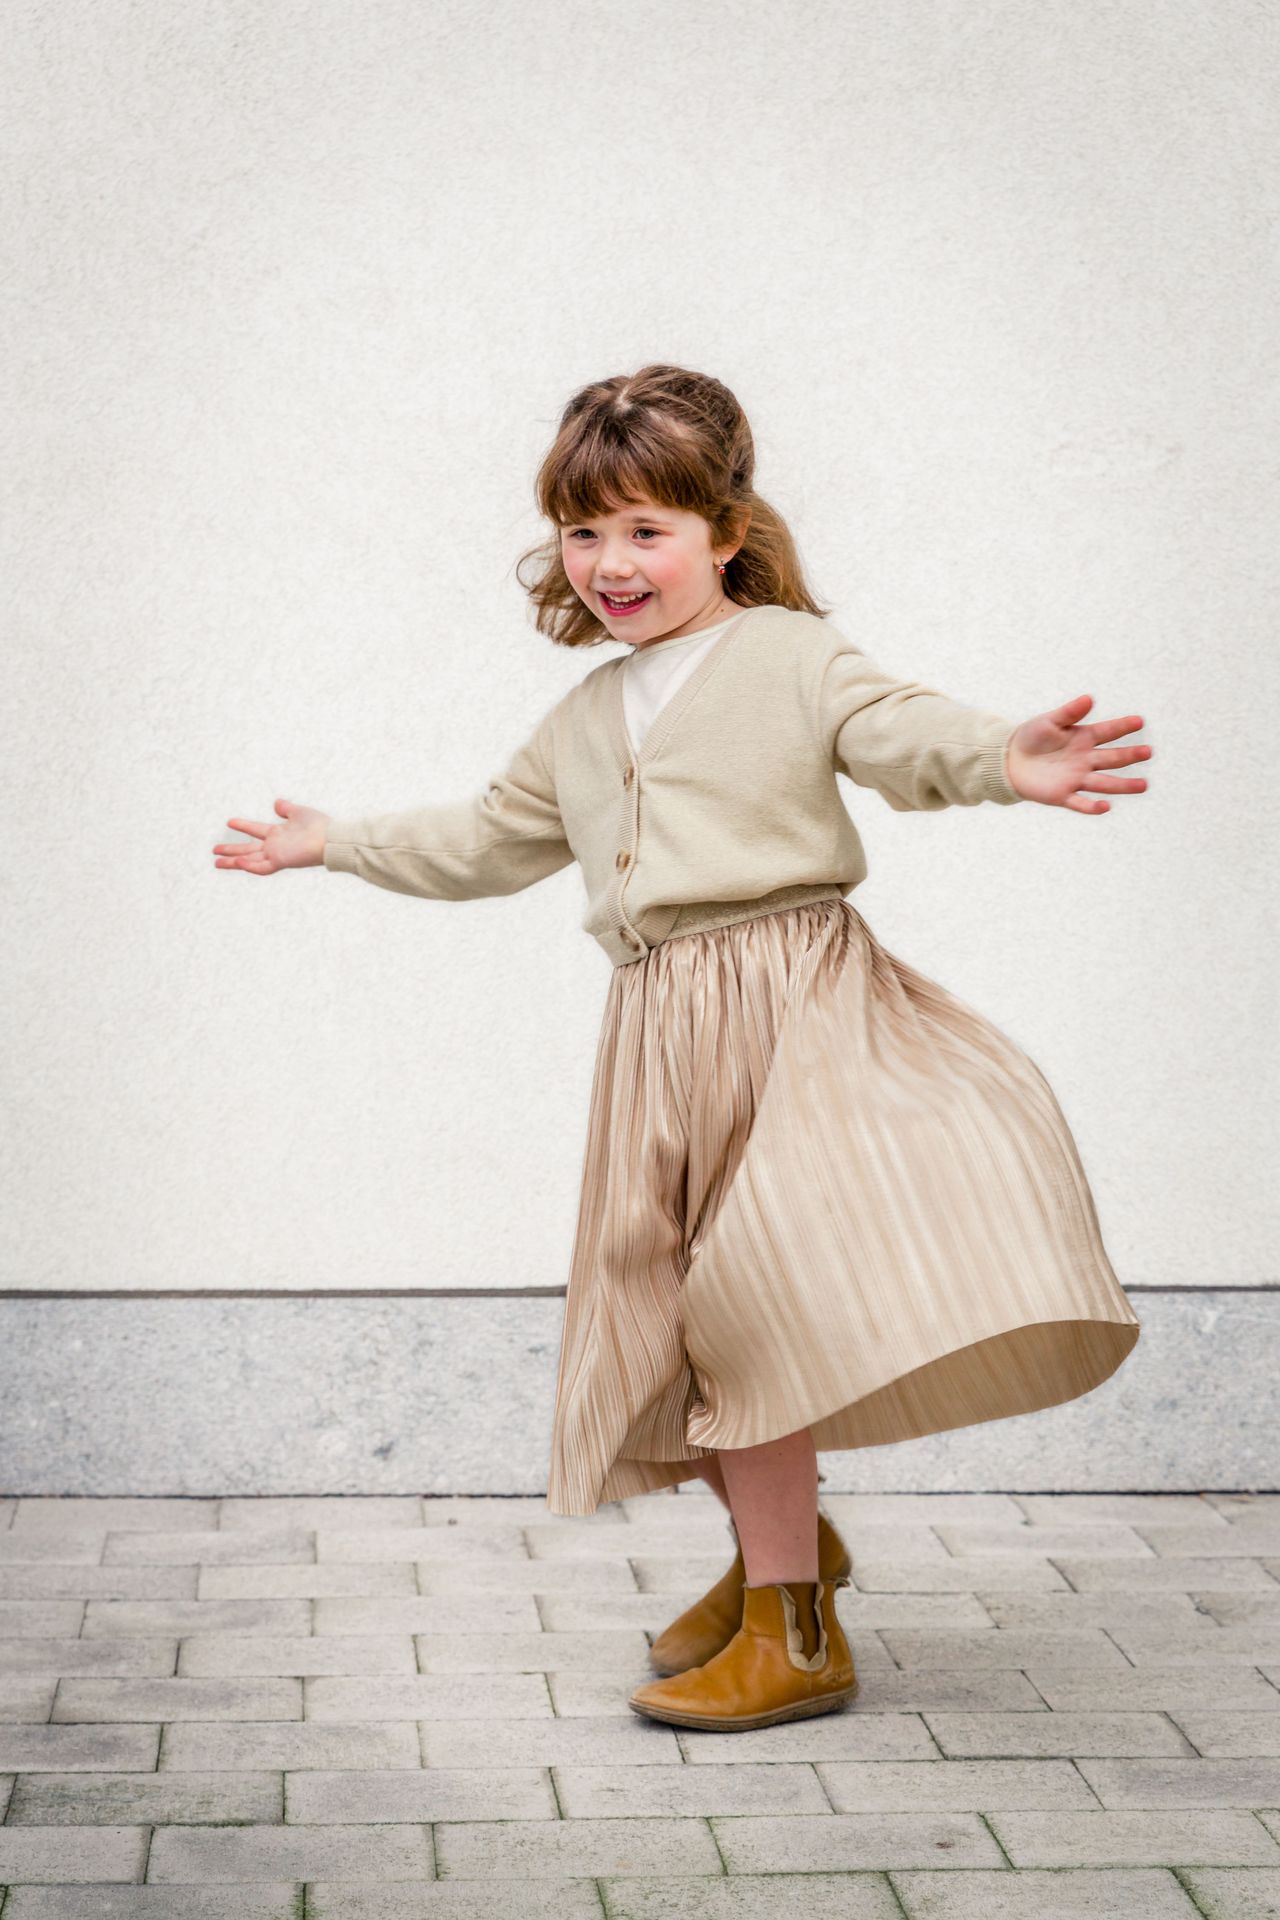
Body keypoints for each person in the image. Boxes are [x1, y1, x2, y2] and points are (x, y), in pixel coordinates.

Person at [213, 362, 1153, 1733]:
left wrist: (1004, 758)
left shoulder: (787, 657)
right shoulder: (588, 721)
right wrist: (334, 842)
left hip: (795, 1007)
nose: (610, 562)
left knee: (751, 1313)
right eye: (583, 532)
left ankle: (796, 1631)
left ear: (724, 528)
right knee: (667, 1339)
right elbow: (484, 841)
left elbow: (896, 733)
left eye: (646, 528)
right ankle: (791, 1552)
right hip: (659, 1032)